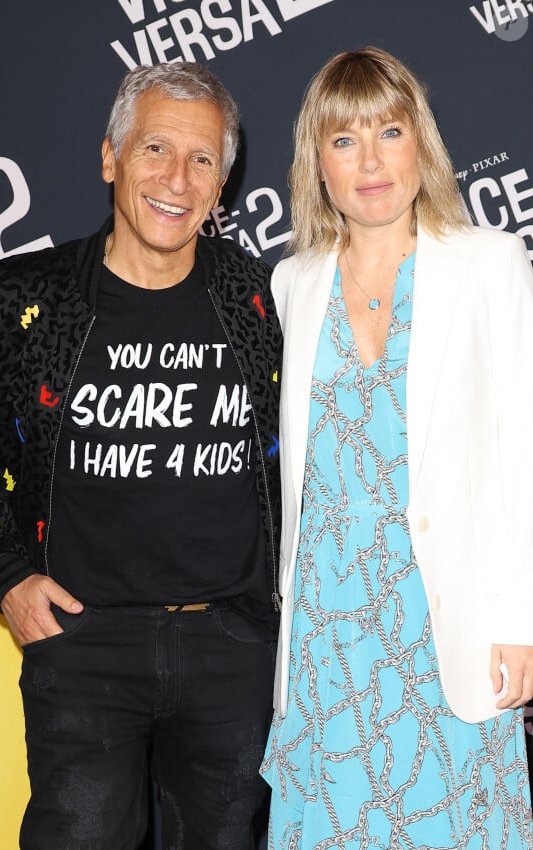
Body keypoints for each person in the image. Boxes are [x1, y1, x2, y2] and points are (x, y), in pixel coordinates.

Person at [0, 61, 281, 850]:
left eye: (203, 159)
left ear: (224, 181)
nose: (177, 178)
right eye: (155, 149)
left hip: (232, 649)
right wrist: (3, 575)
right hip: (83, 645)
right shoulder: (23, 299)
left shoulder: (265, 300)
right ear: (110, 157)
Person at [260, 47, 533, 849]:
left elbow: (521, 451)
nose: (370, 160)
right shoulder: (293, 283)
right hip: (327, 644)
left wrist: (520, 618)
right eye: (344, 141)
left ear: (423, 143)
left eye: (388, 131)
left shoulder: (490, 264)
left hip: (445, 632)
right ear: (319, 161)